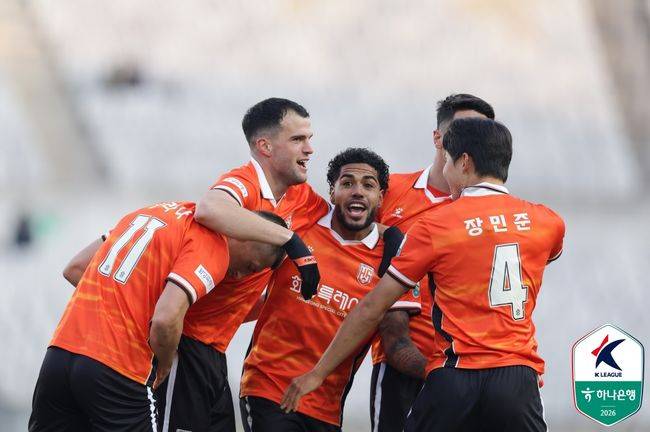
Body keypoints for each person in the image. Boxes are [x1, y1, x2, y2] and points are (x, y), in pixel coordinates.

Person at [282, 118, 565, 432]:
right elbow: (533, 255)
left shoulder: (436, 226)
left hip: (456, 373)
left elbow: (373, 306)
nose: (445, 171)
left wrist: (318, 373)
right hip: (517, 377)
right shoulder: (548, 222)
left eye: (447, 161)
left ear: (464, 162)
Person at [29, 201, 287, 431]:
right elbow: (166, 319)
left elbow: (75, 268)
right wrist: (164, 362)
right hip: (118, 367)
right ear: (245, 236)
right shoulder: (212, 245)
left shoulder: (151, 214)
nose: (241, 276)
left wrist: (129, 300)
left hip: (59, 357)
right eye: (251, 267)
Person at [157, 98, 329, 432]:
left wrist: (390, 234)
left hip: (216, 351)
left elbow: (348, 224)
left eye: (309, 139)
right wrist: (290, 240)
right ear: (265, 146)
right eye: (298, 139)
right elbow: (209, 208)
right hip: (185, 344)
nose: (309, 149)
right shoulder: (245, 183)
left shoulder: (301, 197)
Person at [239, 148, 420, 432]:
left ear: (381, 197)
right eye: (347, 183)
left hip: (327, 408)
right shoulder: (303, 226)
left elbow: (396, 339)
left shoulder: (393, 262)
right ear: (332, 193)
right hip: (268, 389)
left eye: (368, 185)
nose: (357, 191)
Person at [371, 94, 495, 432]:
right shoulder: (388, 191)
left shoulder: (493, 211)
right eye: (463, 128)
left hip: (467, 369)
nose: (472, 138)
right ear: (438, 137)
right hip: (400, 360)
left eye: (482, 132)